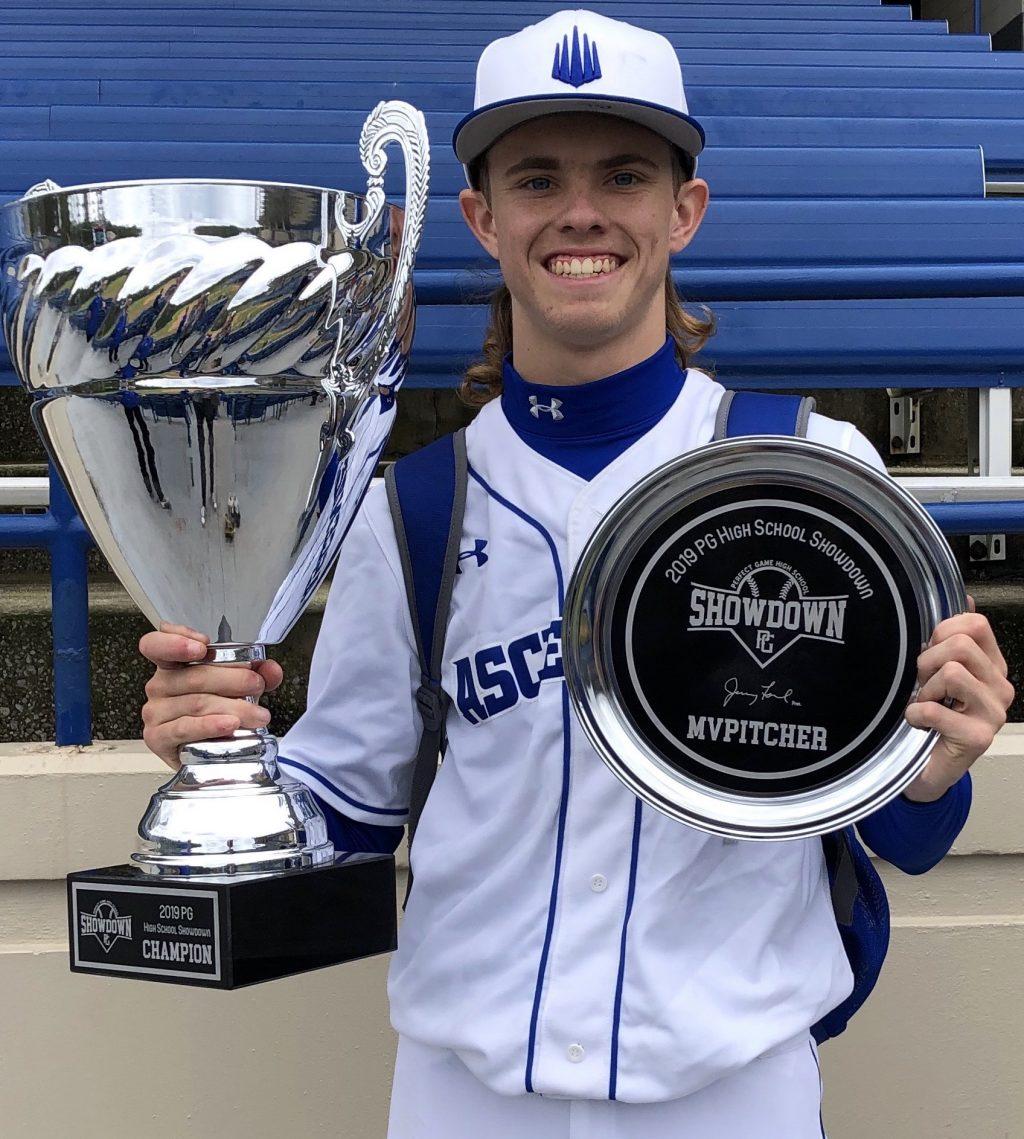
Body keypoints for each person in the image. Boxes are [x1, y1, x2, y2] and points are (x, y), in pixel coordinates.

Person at [138, 11, 1014, 1137]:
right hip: (465, 1092)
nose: (581, 211)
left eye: (624, 173)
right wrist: (226, 757)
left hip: (730, 1089)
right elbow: (348, 812)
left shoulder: (809, 471)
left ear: (682, 210)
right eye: (537, 176)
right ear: (482, 216)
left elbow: (905, 827)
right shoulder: (410, 504)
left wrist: (939, 762)